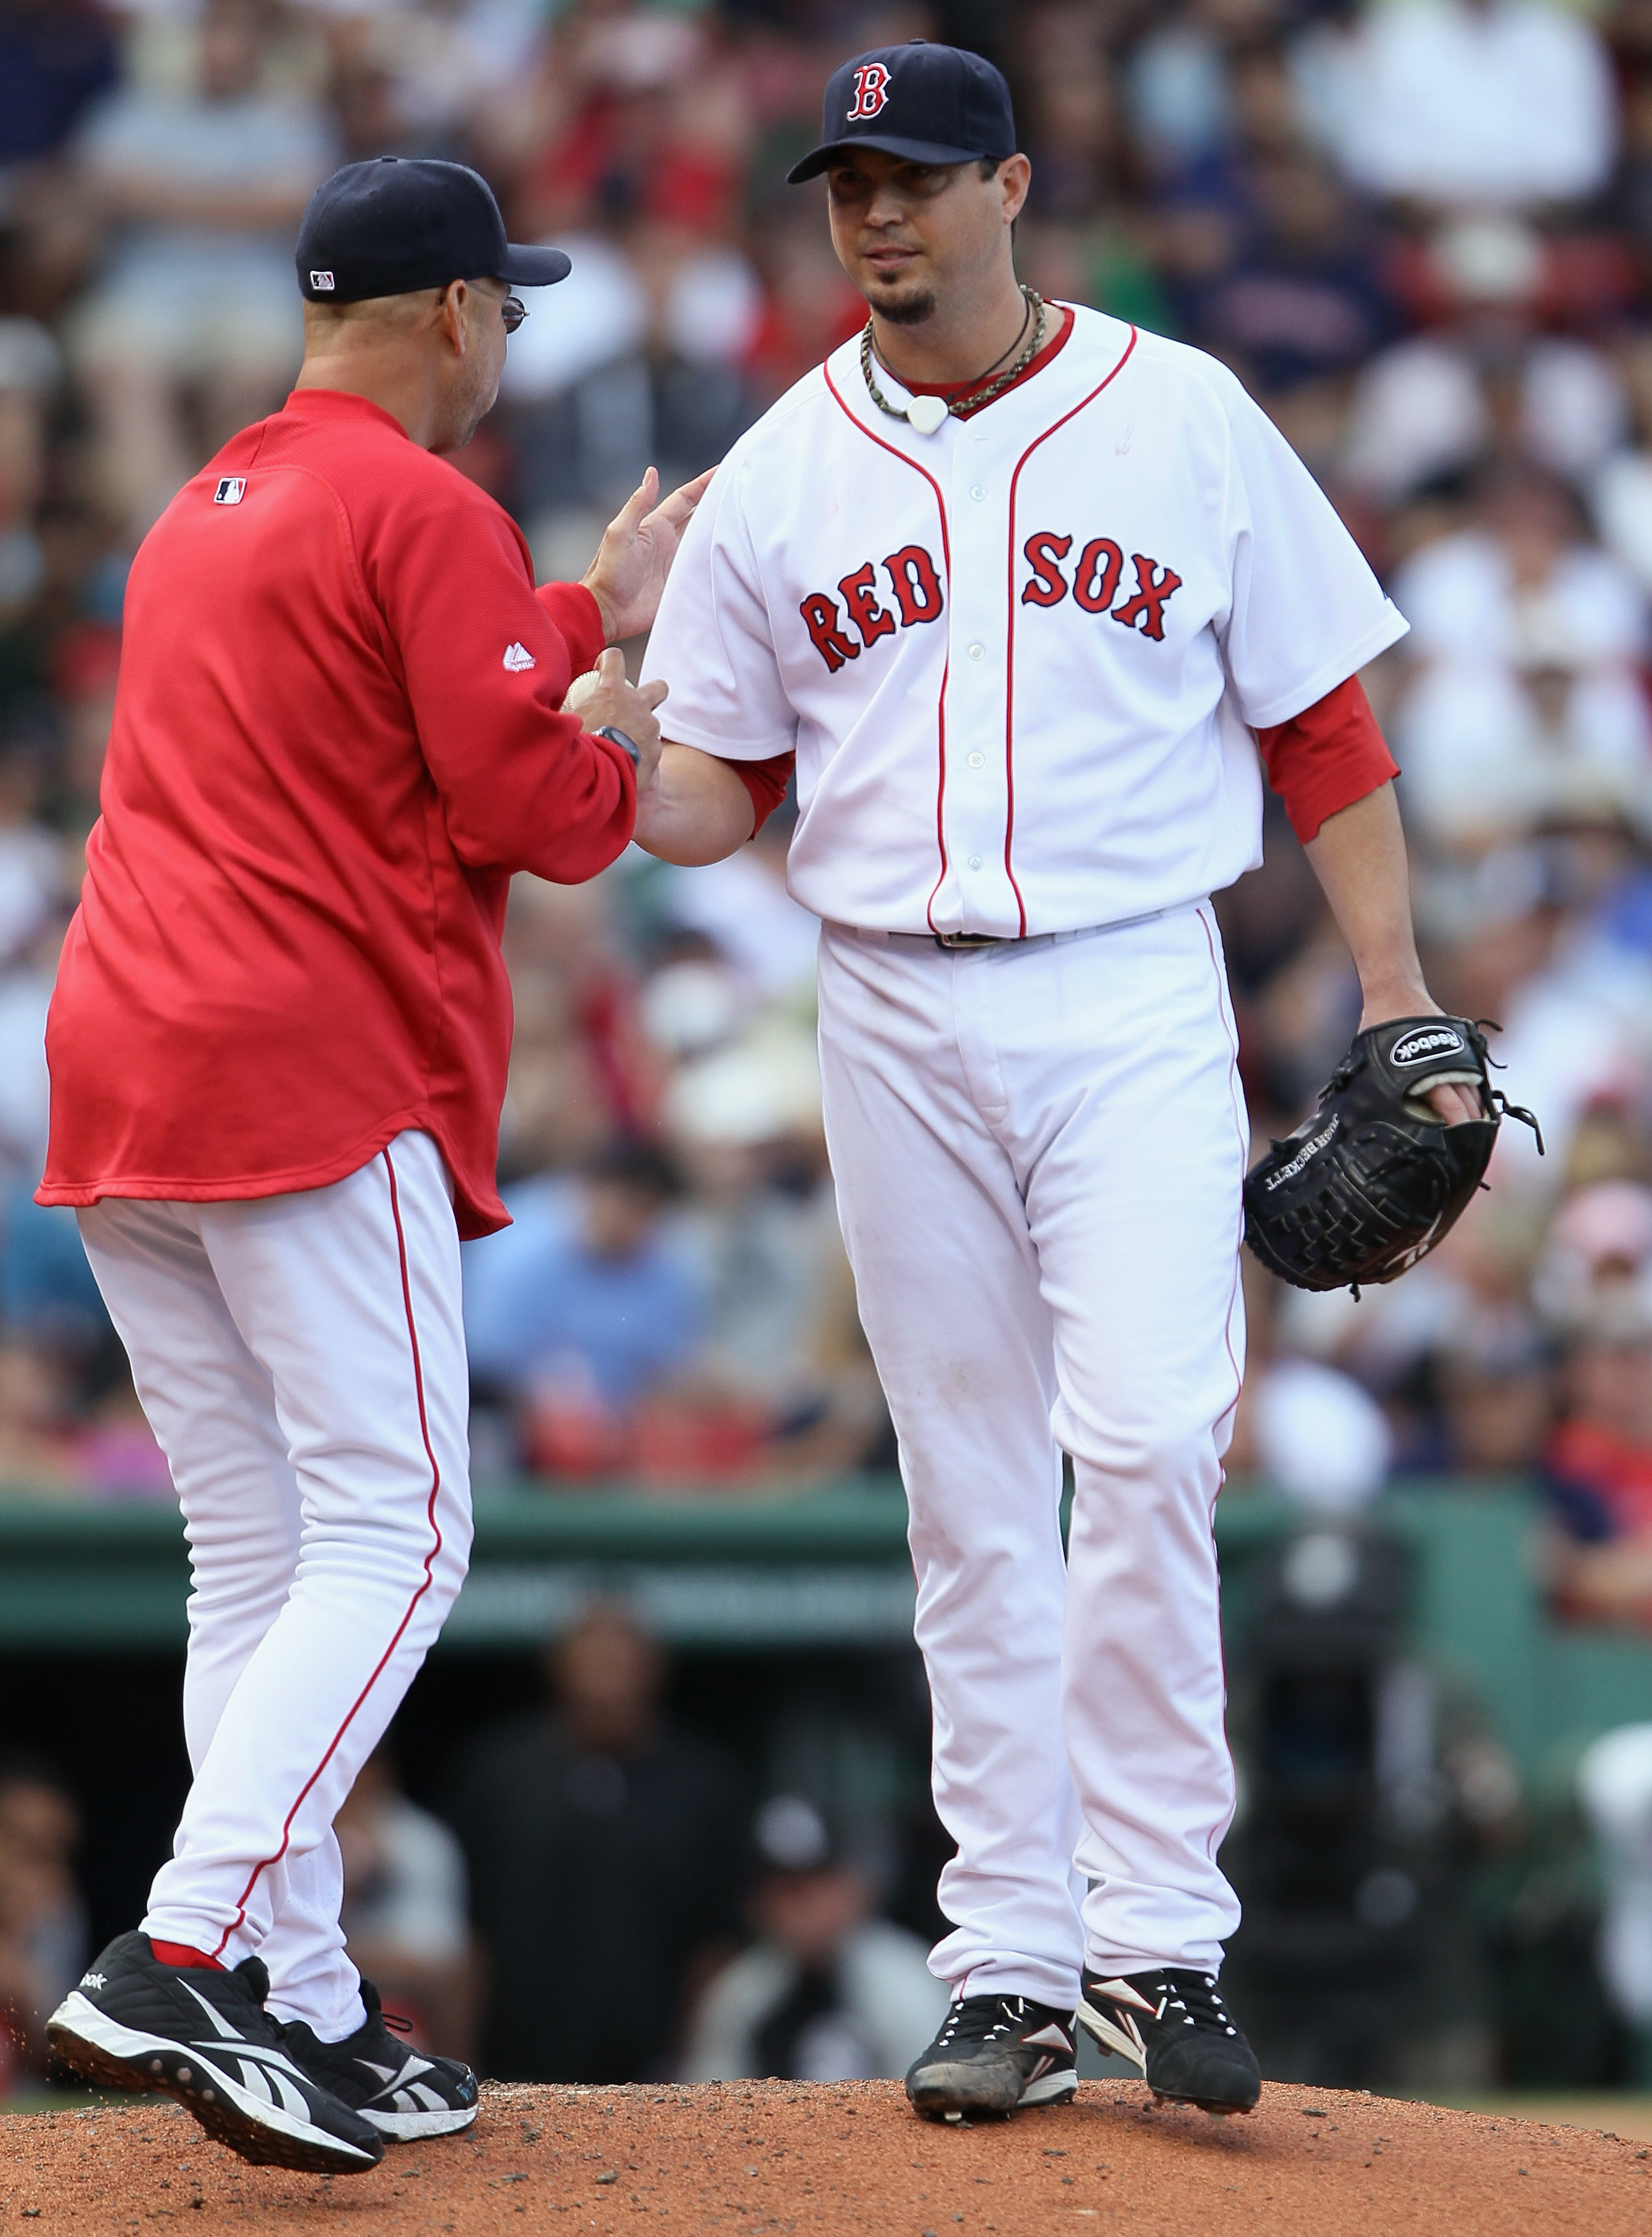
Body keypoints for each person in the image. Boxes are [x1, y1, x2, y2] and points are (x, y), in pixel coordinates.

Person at [634, 40, 1479, 2122]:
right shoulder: (779, 465)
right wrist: (592, 698)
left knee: (1150, 1445)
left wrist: (1393, 998)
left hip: (1122, 986)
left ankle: (1158, 1940)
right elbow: (713, 799)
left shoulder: (1178, 413)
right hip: (888, 1005)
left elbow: (1321, 727)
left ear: (1012, 187)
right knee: (968, 1502)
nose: (877, 216)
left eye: (915, 177)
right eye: (846, 185)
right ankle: (1007, 1959)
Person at [38, 155, 706, 2173]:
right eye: (502, 299)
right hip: (300, 1067)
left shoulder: (205, 505)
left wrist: (582, 611)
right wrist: (622, 731)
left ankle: (302, 2004)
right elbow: (533, 802)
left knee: (252, 1556)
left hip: (125, 1065)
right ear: (446, 313)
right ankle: (184, 1943)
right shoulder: (423, 502)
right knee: (402, 1536)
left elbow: (383, 695)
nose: (510, 326)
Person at [442, 1601, 747, 2084]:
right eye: (590, 1662)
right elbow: (467, 1933)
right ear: (557, 1669)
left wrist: (697, 2064)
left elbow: (718, 1944)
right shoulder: (498, 1775)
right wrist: (463, 2060)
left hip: (660, 2066)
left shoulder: (703, 1782)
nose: (605, 1682)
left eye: (621, 1663)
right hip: (519, 2059)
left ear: (653, 1670)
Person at [681, 1794, 946, 2083]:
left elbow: (933, 2098)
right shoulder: (739, 1993)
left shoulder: (910, 1982)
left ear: (858, 1887)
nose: (801, 1907)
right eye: (784, 1888)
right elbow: (707, 2106)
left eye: (818, 1883)